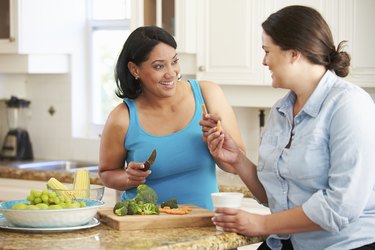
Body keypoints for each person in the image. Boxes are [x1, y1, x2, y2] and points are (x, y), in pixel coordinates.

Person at [200, 5, 375, 250]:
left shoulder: (350, 105)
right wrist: (237, 159)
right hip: (286, 242)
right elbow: (273, 196)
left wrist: (263, 225)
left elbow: (341, 207)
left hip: (344, 244)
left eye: (267, 51)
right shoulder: (281, 110)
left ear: (294, 53)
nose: (264, 61)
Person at [98, 26, 245, 210]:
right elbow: (106, 173)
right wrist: (128, 178)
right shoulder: (122, 118)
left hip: (204, 224)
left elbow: (235, 166)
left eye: (174, 62)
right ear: (135, 69)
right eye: (159, 66)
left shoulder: (208, 94)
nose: (171, 73)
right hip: (143, 226)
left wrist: (217, 146)